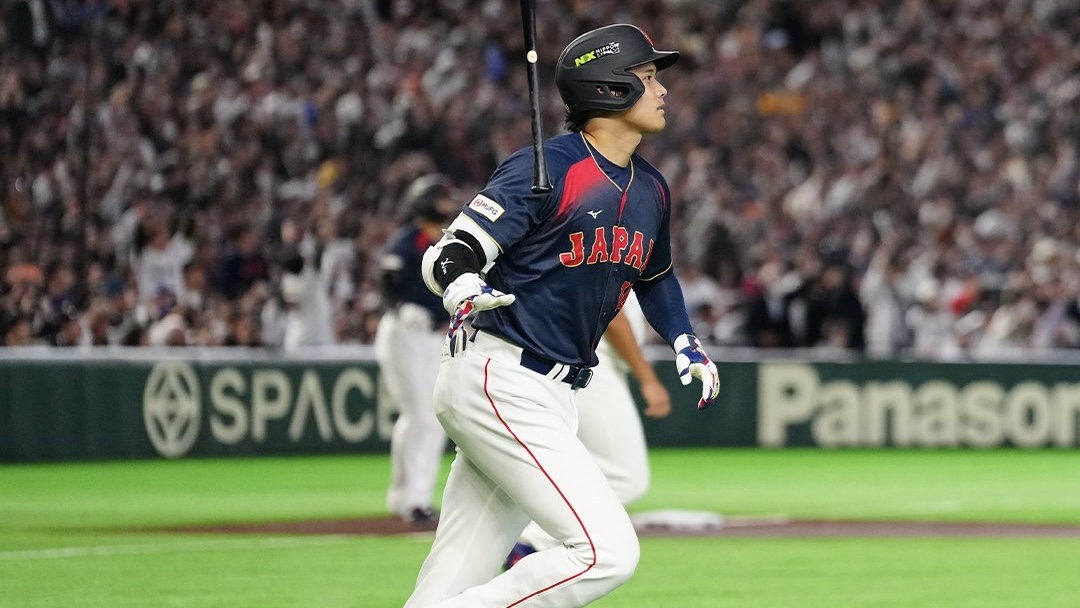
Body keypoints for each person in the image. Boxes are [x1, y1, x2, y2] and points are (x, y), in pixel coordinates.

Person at [404, 23, 720, 608]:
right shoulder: (547, 168)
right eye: (646, 77)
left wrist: (683, 338)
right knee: (606, 552)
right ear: (608, 89)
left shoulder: (650, 187)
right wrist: (464, 285)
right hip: (501, 376)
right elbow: (449, 252)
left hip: (550, 392)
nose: (662, 90)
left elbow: (655, 276)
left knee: (453, 575)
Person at [508, 291, 672, 567]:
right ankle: (532, 542)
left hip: (567, 357)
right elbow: (614, 319)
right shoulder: (613, 246)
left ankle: (530, 542)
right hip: (593, 364)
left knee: (570, 466)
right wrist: (647, 377)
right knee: (626, 477)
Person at [375, 174, 459, 527]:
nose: (445, 207)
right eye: (439, 201)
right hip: (402, 333)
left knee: (420, 418)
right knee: (424, 416)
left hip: (433, 336)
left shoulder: (450, 241)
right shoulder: (405, 242)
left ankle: (404, 496)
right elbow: (388, 285)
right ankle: (415, 500)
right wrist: (400, 306)